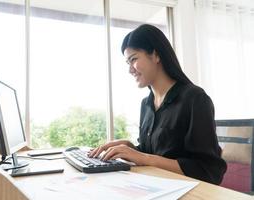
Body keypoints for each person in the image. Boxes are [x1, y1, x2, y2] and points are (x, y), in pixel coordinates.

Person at [88, 24, 227, 185]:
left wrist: (144, 157)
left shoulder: (195, 98)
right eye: (128, 62)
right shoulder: (146, 104)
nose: (130, 70)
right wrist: (129, 147)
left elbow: (208, 170)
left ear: (156, 55)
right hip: (153, 186)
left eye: (133, 59)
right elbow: (153, 153)